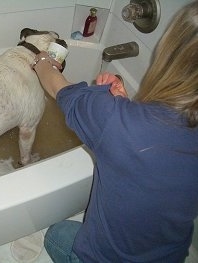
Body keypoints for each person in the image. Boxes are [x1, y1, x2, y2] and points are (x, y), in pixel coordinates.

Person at [31, 1, 198, 262]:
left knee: (56, 234)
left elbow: (57, 88)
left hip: (104, 258)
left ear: (170, 55)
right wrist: (124, 104)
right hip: (168, 257)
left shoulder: (115, 120)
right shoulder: (123, 121)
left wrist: (42, 61)